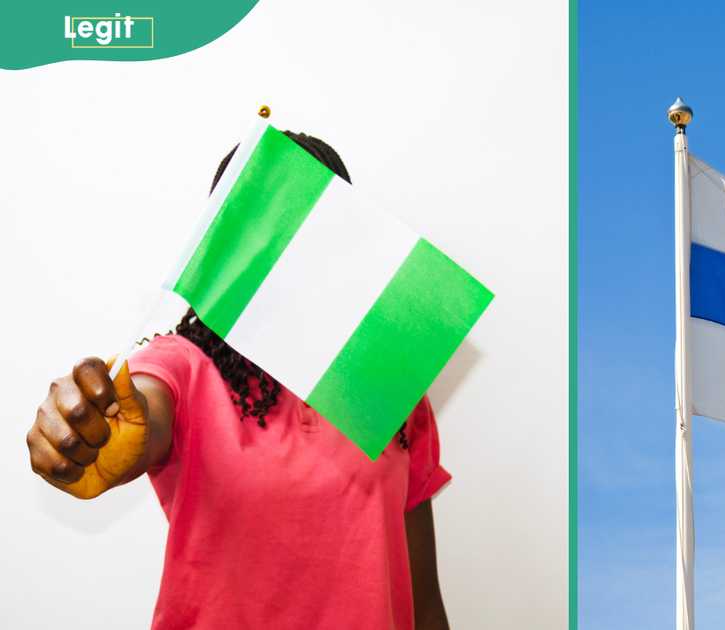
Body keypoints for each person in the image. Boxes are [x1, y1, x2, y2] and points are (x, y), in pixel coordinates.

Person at [25, 132, 452, 630]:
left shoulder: (389, 386)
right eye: (263, 221)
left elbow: (423, 606)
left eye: (315, 218)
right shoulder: (183, 365)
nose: (290, 241)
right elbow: (145, 409)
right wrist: (92, 429)